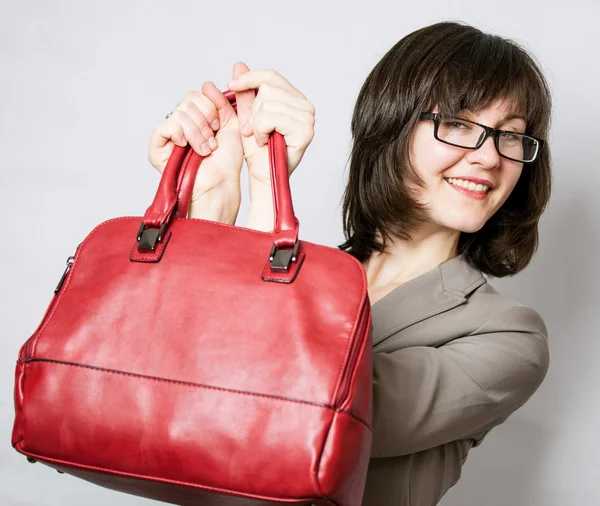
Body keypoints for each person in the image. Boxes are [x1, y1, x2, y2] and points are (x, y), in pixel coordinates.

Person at [148, 21, 552, 506]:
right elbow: (168, 384)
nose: (489, 158)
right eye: (461, 124)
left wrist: (264, 202)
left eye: (511, 137)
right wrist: (212, 204)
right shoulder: (303, 275)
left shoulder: (509, 338)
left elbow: (306, 413)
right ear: (392, 125)